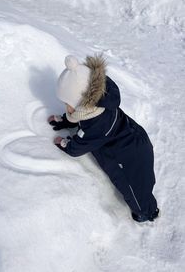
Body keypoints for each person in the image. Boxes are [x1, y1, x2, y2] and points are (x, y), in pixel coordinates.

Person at [48, 54, 159, 223]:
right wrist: (66, 119)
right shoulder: (100, 102)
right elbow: (80, 115)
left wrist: (65, 144)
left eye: (67, 104)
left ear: (80, 103)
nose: (66, 107)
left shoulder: (96, 126)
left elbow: (78, 147)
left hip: (128, 158)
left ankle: (147, 213)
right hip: (132, 135)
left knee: (135, 189)